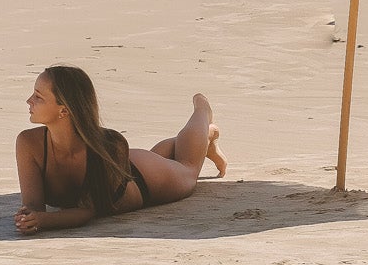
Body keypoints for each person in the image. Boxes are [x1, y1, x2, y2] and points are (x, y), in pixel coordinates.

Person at [14, 66, 225, 234]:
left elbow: (86, 211)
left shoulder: (108, 145)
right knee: (163, 157)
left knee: (188, 169)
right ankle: (201, 140)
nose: (29, 101)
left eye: (38, 97)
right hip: (120, 166)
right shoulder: (28, 144)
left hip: (142, 180)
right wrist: (30, 218)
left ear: (64, 110)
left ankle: (203, 115)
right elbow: (33, 206)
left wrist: (42, 221)